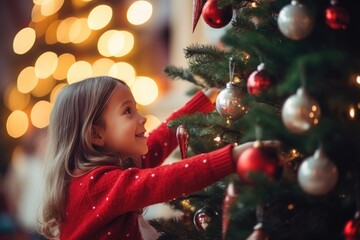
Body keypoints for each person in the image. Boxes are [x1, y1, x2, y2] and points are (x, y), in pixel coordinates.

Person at [38, 76, 279, 240]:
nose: (142, 118)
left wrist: (201, 104)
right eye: (127, 111)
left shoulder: (114, 172)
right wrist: (232, 157)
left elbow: (155, 144)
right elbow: (161, 181)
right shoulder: (97, 185)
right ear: (96, 134)